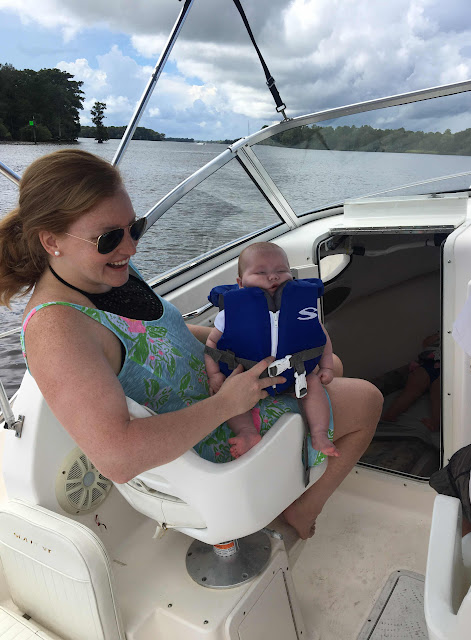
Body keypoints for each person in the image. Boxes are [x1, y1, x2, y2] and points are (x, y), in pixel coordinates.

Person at [0, 149, 382, 539]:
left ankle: (296, 468)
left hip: (218, 391)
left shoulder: (105, 271)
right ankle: (302, 511)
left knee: (331, 366)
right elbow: (118, 458)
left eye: (134, 228)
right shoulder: (56, 329)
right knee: (367, 400)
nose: (131, 248)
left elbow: (165, 334)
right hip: (206, 440)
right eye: (109, 237)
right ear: (51, 241)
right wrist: (228, 403)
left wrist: (247, 347)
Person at [205, 242, 339, 459]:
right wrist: (214, 375)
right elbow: (211, 345)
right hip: (248, 377)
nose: (273, 277)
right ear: (241, 283)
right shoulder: (230, 313)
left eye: (281, 271)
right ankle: (247, 433)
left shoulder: (301, 305)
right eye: (261, 272)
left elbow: (321, 335)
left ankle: (319, 433)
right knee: (229, 393)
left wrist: (327, 366)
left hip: (295, 375)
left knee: (314, 384)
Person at [430, 282, 471, 536]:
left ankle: (465, 541)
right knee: (419, 384)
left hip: (438, 370)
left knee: (452, 475)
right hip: (428, 365)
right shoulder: (434, 342)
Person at [381, 332, 440, 431]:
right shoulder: (442, 333)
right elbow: (426, 343)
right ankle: (390, 414)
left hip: (445, 368)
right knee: (411, 391)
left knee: (438, 394)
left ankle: (436, 422)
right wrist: (439, 335)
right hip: (428, 364)